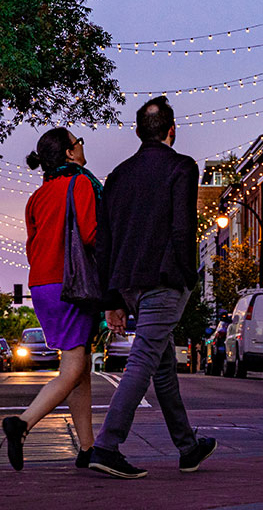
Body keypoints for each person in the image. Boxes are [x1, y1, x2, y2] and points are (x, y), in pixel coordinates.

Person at [88, 96, 217, 479]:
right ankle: (107, 445)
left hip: (127, 283)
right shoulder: (181, 167)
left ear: (139, 133)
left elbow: (105, 243)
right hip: (162, 279)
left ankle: (188, 447)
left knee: (161, 366)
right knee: (144, 359)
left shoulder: (117, 177)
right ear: (172, 130)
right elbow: (183, 228)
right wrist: (188, 274)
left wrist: (112, 298)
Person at [2, 127, 102, 471]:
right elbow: (91, 234)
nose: (81, 147)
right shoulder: (82, 183)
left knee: (80, 366)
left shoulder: (36, 196)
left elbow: (32, 244)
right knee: (73, 367)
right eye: (78, 143)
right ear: (70, 153)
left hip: (41, 284)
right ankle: (23, 423)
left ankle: (87, 448)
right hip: (71, 282)